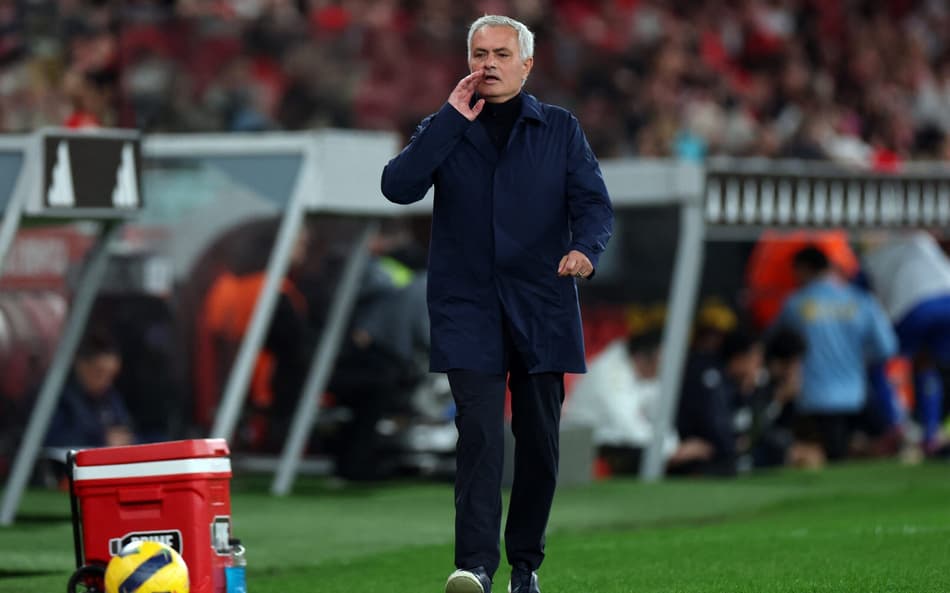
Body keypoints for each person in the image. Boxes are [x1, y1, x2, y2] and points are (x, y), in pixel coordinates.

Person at [381, 14, 613, 593]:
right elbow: (398, 186)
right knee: (480, 437)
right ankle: (476, 568)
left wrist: (585, 249)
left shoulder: (560, 128)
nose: (488, 63)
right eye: (479, 52)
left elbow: (594, 205)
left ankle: (525, 568)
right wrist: (449, 123)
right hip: (469, 308)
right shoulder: (444, 126)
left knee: (538, 443)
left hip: (541, 305)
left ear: (527, 64)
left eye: (501, 54)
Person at [775, 246, 898, 461]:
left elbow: (777, 343)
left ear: (804, 269)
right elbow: (887, 347)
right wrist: (858, 359)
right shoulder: (861, 301)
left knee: (829, 457)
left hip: (812, 397)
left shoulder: (795, 304)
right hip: (856, 395)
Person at [563, 329, 713, 475]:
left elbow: (659, 416)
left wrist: (674, 445)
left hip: (624, 439)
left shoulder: (646, 371)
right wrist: (675, 451)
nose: (666, 368)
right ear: (642, 357)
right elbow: (627, 427)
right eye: (662, 361)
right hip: (592, 445)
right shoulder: (610, 374)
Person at [863, 231, 950, 453]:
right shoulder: (921, 239)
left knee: (878, 362)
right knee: (927, 364)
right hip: (946, 300)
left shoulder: (870, 259)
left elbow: (862, 295)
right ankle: (930, 435)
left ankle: (897, 427)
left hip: (910, 309)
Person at [44, 331, 135, 449]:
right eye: (99, 373)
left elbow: (127, 431)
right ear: (81, 365)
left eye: (112, 376)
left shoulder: (110, 397)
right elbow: (51, 440)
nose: (106, 382)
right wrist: (102, 440)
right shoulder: (56, 397)